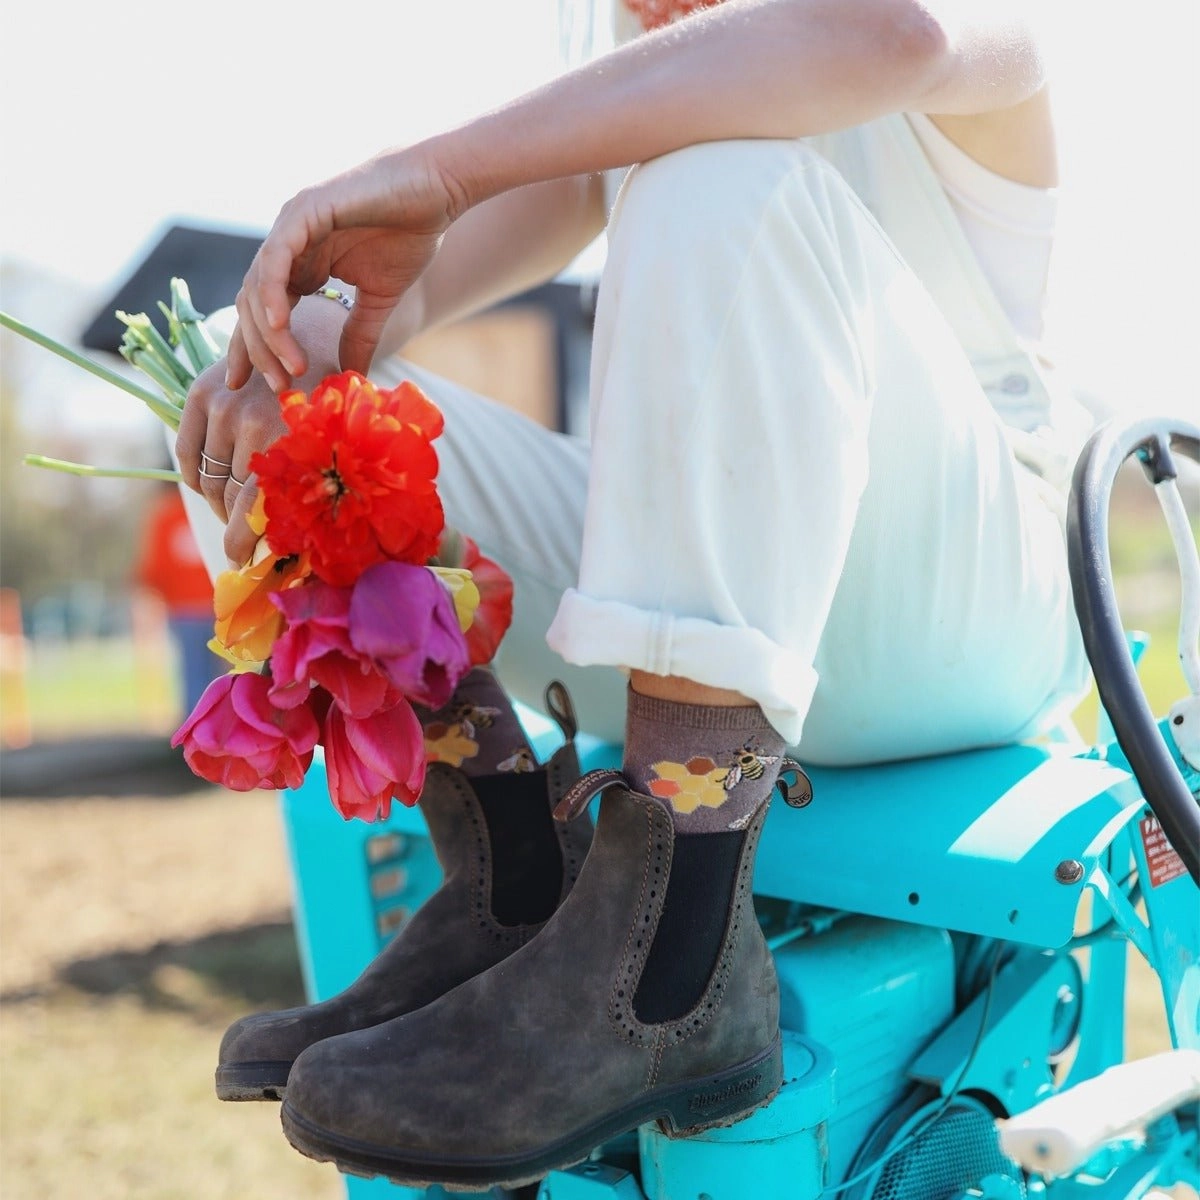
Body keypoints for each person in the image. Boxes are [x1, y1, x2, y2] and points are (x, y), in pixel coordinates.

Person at [177, 0, 1091, 1187]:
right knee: (247, 379)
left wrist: (436, 172)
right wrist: (279, 339)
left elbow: (891, 40)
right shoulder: (621, 113)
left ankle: (670, 971)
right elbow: (377, 310)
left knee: (717, 182)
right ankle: (512, 893)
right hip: (715, 592)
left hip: (956, 616)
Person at [133, 482, 223, 717]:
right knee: (225, 677)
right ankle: (228, 735)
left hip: (184, 611)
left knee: (194, 677)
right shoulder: (211, 506)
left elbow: (154, 567)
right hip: (221, 607)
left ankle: (196, 738)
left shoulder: (165, 515)